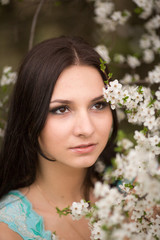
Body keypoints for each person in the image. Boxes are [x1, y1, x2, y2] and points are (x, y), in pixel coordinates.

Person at [0, 36, 118, 240]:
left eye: (98, 105)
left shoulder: (138, 195)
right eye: (61, 109)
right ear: (29, 118)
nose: (86, 128)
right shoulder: (9, 230)